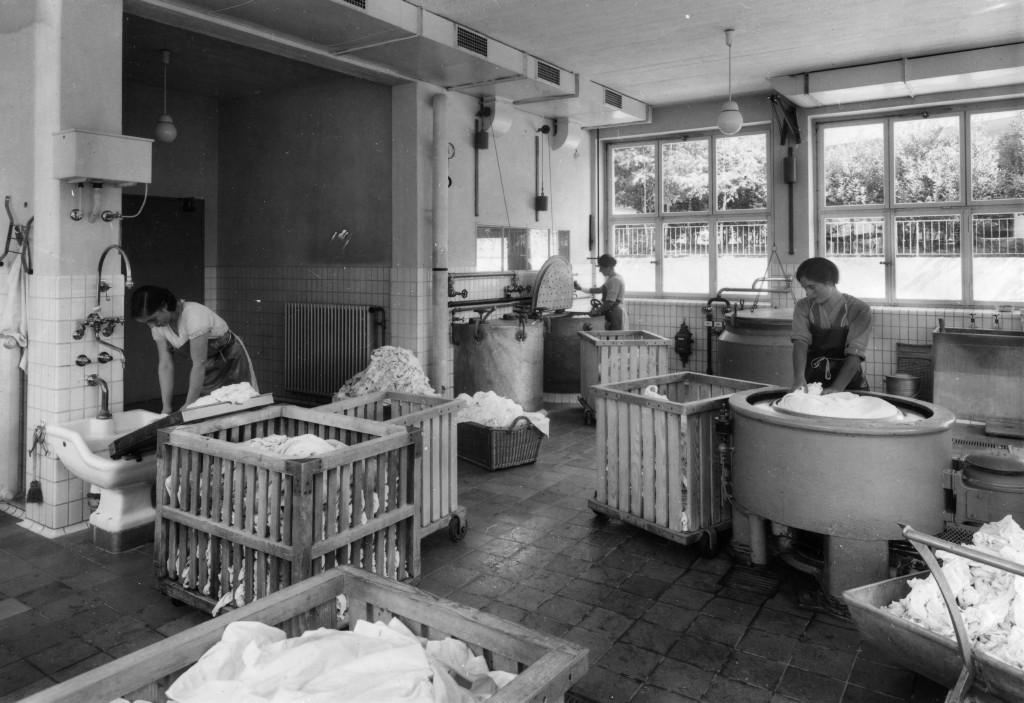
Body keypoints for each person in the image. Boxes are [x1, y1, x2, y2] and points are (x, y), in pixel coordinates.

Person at [131, 285, 258, 414]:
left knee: (241, 407)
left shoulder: (194, 315)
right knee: (209, 413)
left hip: (231, 361)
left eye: (153, 319)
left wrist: (189, 405)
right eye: (147, 322)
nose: (152, 325)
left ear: (164, 306)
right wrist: (166, 408)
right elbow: (165, 365)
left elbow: (199, 364)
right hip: (206, 368)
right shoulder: (158, 328)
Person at [791, 257, 872, 394]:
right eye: (805, 288)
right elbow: (800, 342)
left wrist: (837, 388)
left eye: (812, 287)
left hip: (849, 384)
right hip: (814, 384)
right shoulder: (803, 306)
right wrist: (799, 377)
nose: (808, 294)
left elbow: (855, 354)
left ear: (829, 282)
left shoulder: (859, 309)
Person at [574, 253, 628, 330]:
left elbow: (610, 302)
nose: (600, 270)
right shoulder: (614, 278)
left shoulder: (614, 280)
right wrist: (581, 288)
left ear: (608, 267)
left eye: (601, 267)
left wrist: (596, 311)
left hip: (615, 313)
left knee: (614, 338)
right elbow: (599, 290)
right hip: (614, 312)